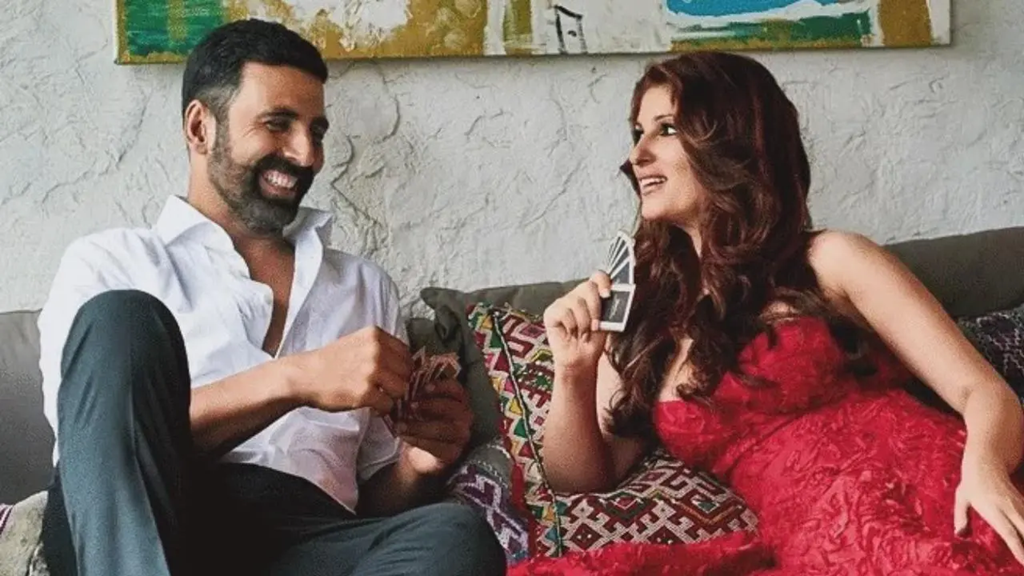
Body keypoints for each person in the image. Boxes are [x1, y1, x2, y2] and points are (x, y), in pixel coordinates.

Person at [36, 19, 505, 576]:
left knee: (454, 536)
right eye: (278, 124)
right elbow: (98, 445)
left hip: (306, 540)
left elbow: (372, 502)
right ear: (200, 127)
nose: (307, 155)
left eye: (317, 131)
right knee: (121, 318)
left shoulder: (363, 286)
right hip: (149, 524)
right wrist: (294, 380)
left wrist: (419, 466)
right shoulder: (111, 263)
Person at [535, 51, 1024, 575]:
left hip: (945, 493)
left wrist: (986, 470)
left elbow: (983, 391)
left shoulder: (831, 258)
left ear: (732, 140)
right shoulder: (644, 315)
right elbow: (578, 480)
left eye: (667, 129)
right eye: (637, 133)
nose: (637, 154)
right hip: (818, 543)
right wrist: (574, 370)